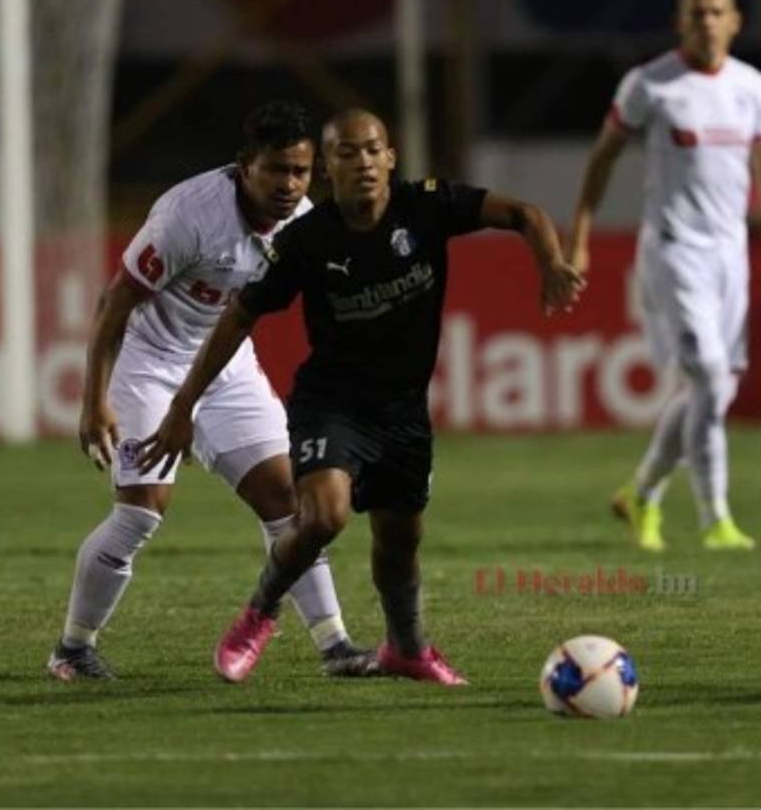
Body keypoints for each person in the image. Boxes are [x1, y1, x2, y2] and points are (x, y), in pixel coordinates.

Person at [137, 108, 585, 686]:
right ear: (328, 167)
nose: (364, 162)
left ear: (391, 157)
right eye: (347, 153)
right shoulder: (307, 240)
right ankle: (258, 614)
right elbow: (238, 317)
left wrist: (550, 261)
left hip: (403, 413)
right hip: (332, 404)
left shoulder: (426, 206)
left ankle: (407, 650)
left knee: (400, 542)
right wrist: (183, 406)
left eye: (373, 150)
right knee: (325, 516)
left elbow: (525, 214)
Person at [47, 101, 378, 682]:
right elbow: (114, 303)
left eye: (300, 172)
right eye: (276, 170)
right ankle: (73, 649)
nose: (289, 185)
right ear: (245, 167)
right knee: (141, 511)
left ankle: (336, 646)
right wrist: (94, 400)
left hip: (225, 366)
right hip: (148, 363)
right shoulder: (189, 217)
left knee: (289, 502)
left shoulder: (302, 223)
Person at [567, 0, 761, 552]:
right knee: (706, 374)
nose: (706, 21)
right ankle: (715, 519)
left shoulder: (752, 87)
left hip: (729, 255)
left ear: (735, 22)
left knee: (716, 390)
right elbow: (602, 158)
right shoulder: (650, 84)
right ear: (680, 23)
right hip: (673, 249)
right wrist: (579, 237)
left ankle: (642, 492)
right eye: (696, 13)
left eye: (716, 11)